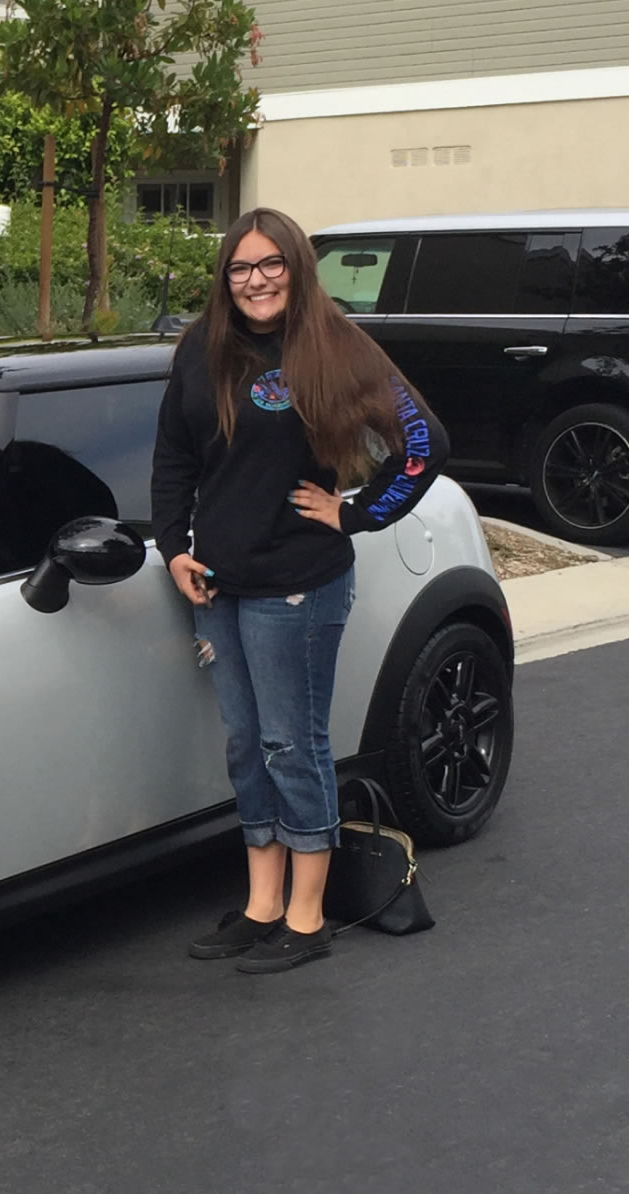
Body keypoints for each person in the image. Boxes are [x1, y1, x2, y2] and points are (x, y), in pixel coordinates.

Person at [153, 207, 445, 975]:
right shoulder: (199, 349)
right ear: (226, 277)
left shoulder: (333, 344)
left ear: (296, 268)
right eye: (241, 268)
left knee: (293, 743)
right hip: (218, 585)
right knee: (248, 747)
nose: (255, 281)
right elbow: (173, 460)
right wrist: (173, 549)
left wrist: (354, 513)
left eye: (271, 264)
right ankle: (261, 906)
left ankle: (308, 915)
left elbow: (423, 446)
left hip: (298, 588)